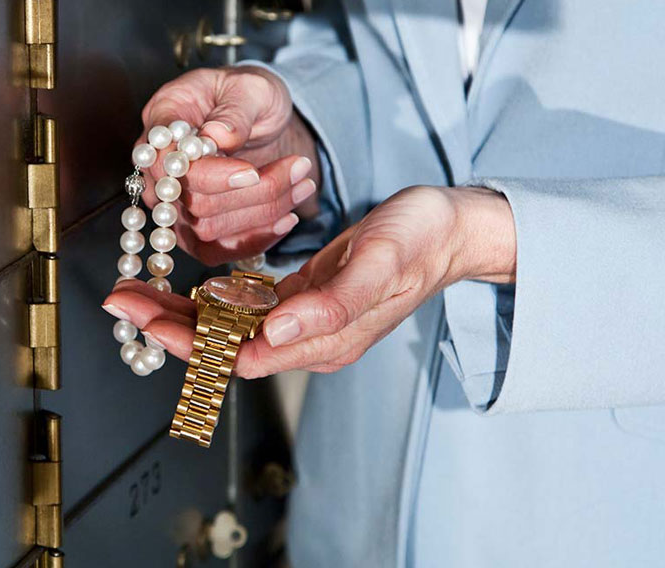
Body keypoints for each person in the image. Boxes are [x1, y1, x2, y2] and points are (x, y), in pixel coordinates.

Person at [102, 1, 665, 566]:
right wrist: (300, 147)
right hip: (355, 494)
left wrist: (484, 237)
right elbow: (368, 42)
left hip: (594, 505)